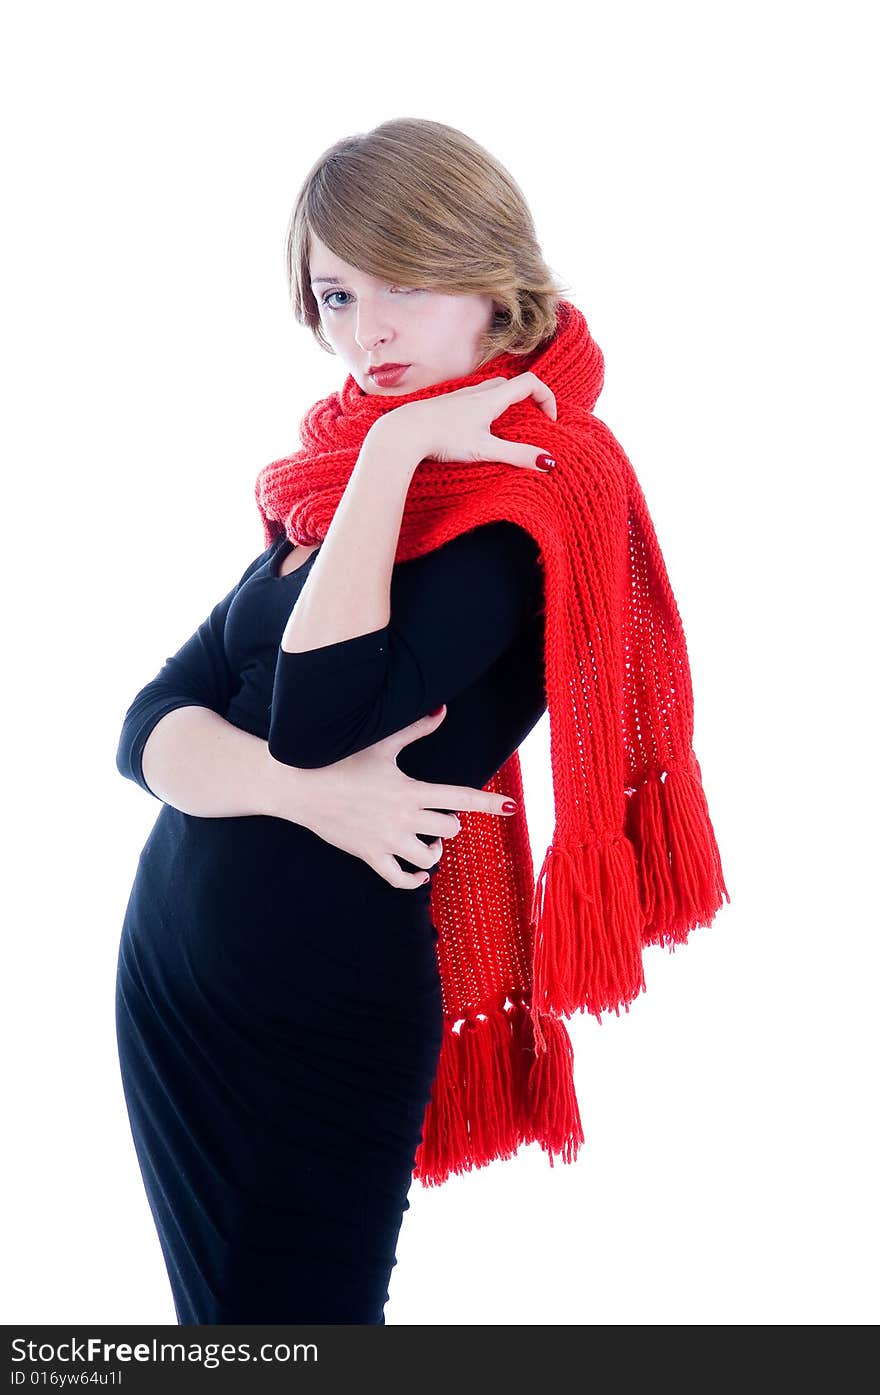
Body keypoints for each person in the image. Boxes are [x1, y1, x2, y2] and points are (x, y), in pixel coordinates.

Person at [114, 117, 562, 1324]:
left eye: (406, 285)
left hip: (318, 1010)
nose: (366, 332)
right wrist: (307, 797)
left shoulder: (522, 514)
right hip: (173, 984)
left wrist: (398, 453)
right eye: (336, 292)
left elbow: (310, 715)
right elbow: (150, 724)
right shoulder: (335, 495)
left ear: (492, 280)